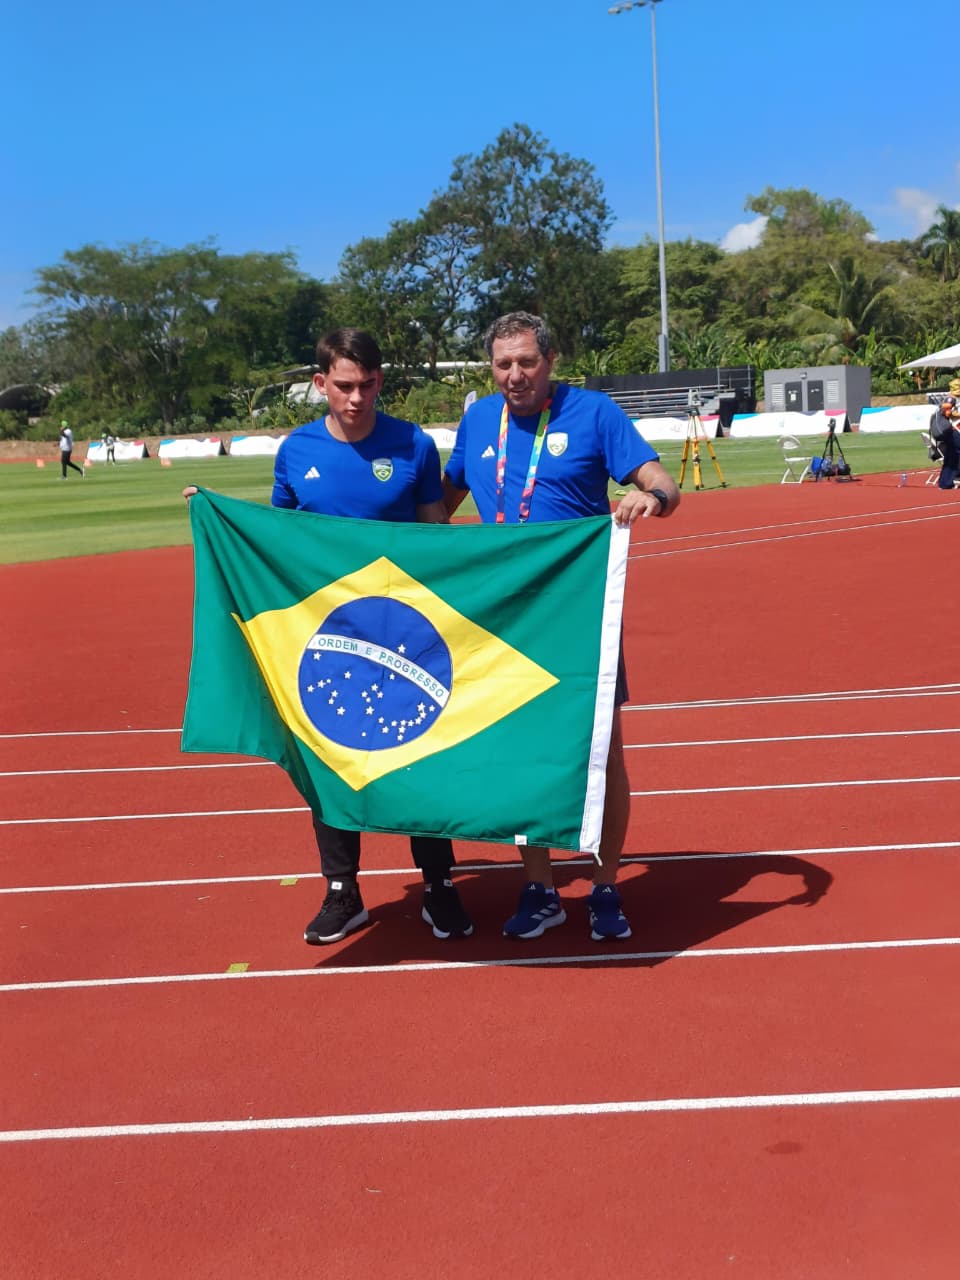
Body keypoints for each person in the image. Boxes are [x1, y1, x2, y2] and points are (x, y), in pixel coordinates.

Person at [185, 329, 473, 947]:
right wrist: (215, 514)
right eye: (344, 385)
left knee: (420, 751)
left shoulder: (413, 444)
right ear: (321, 383)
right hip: (327, 638)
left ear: (381, 383)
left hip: (404, 634)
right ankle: (343, 890)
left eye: (368, 385)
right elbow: (279, 544)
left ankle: (439, 884)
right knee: (330, 757)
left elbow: (437, 537)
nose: (357, 397)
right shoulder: (297, 451)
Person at [442, 311, 680, 943]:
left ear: (551, 361)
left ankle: (604, 886)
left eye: (526, 362)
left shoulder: (595, 414)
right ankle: (541, 888)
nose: (515, 375)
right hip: (502, 619)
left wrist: (650, 497)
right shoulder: (476, 421)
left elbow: (663, 481)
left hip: (578, 611)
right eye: (503, 364)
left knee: (603, 752)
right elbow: (432, 511)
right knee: (522, 753)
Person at [930, 396, 959, 489]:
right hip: (946, 433)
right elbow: (947, 410)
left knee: (950, 457)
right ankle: (956, 477)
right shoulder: (944, 408)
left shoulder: (937, 413)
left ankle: (945, 483)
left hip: (943, 435)